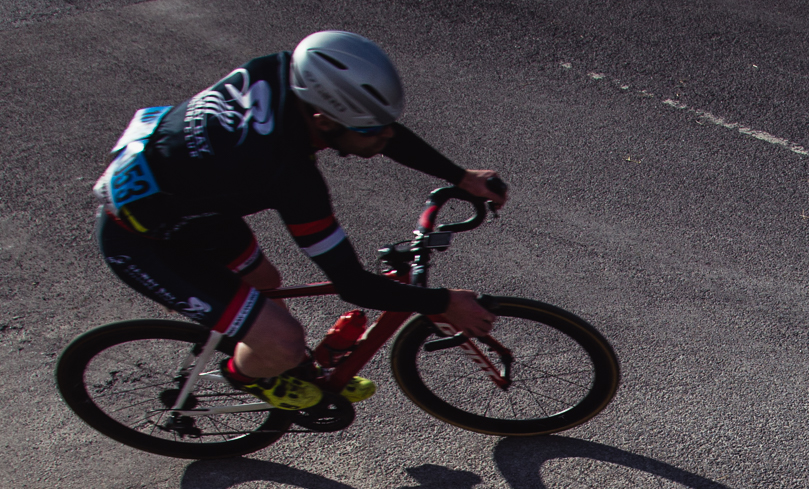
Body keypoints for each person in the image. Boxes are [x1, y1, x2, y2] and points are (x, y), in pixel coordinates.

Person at [91, 30, 507, 411]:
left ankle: (269, 355)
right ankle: (246, 375)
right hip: (142, 240)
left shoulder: (285, 71)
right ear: (324, 120)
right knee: (284, 340)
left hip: (189, 204)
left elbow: (382, 131)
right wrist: (443, 302)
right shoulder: (285, 172)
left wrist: (460, 176)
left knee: (267, 282)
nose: (385, 140)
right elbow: (352, 284)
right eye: (372, 132)